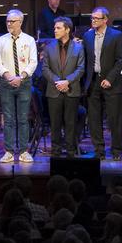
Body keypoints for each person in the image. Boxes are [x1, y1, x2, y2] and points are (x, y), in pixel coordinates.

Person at [83, 7, 122, 160]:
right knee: (94, 118)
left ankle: (116, 150)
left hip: (112, 82)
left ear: (105, 20)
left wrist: (110, 78)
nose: (93, 20)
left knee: (114, 119)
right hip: (93, 81)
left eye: (97, 18)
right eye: (92, 18)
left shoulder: (116, 36)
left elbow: (120, 60)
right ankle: (99, 150)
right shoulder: (87, 36)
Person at [0, 9, 38, 164]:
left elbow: (33, 62)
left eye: (12, 21)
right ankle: (9, 151)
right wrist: (8, 76)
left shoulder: (29, 40)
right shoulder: (1, 40)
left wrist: (21, 76)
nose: (9, 24)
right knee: (9, 118)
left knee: (23, 118)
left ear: (20, 22)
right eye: (7, 21)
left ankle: (24, 151)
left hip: (24, 83)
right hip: (6, 83)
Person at [43, 17, 85, 157]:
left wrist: (67, 81)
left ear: (67, 29)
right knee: (55, 124)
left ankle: (71, 151)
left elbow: (80, 68)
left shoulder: (78, 47)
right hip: (54, 90)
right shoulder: (49, 47)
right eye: (55, 28)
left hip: (72, 90)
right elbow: (45, 69)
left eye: (58, 28)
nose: (55, 30)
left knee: (70, 123)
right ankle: (56, 150)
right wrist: (58, 82)